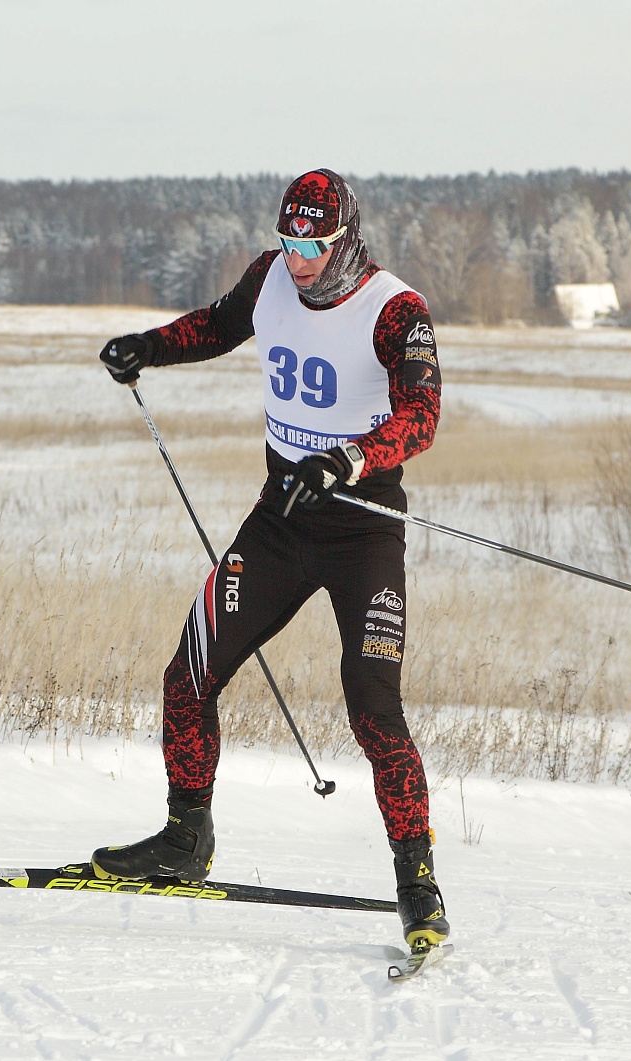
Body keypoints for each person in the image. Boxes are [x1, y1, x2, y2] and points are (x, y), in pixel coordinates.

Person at [93, 169, 447, 954]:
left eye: (313, 245)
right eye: (289, 241)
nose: (298, 259)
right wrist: (146, 347)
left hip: (363, 524)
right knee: (187, 675)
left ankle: (418, 883)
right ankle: (186, 838)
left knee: (371, 706)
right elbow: (219, 325)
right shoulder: (271, 277)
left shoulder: (396, 309)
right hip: (281, 523)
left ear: (345, 237)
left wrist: (350, 460)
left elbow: (421, 412)